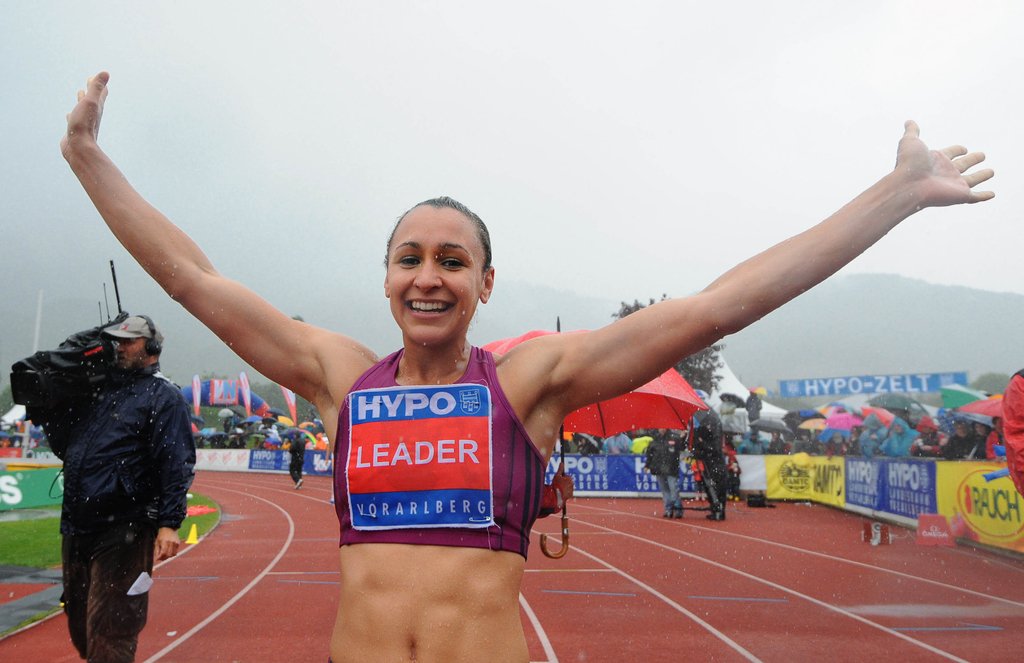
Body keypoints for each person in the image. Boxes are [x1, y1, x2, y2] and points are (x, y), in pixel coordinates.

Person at [60, 71, 993, 662]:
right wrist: (87, 157)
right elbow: (191, 280)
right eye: (410, 258)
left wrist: (896, 193)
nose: (429, 276)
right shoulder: (340, 376)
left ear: (486, 282)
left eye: (452, 260)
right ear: (386, 278)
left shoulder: (527, 382)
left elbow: (718, 306)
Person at [27, 315, 195, 663]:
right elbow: (67, 446)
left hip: (125, 527)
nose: (120, 347)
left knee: (112, 629)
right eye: (116, 340)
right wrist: (47, 409)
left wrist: (169, 523)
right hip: (77, 523)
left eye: (129, 341)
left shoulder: (164, 396)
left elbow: (175, 462)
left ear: (152, 347)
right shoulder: (96, 392)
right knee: (81, 626)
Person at [691, 408, 728, 520]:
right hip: (709, 463)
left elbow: (715, 448)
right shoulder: (704, 428)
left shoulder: (714, 430)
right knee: (710, 487)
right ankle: (715, 509)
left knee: (717, 488)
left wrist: (702, 443)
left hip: (715, 464)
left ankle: (719, 510)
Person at [644, 433, 683, 518]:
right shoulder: (654, 440)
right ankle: (669, 509)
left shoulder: (674, 438)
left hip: (671, 469)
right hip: (659, 469)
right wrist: (647, 465)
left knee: (673, 489)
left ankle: (677, 508)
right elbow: (650, 455)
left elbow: (681, 448)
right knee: (665, 490)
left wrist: (682, 438)